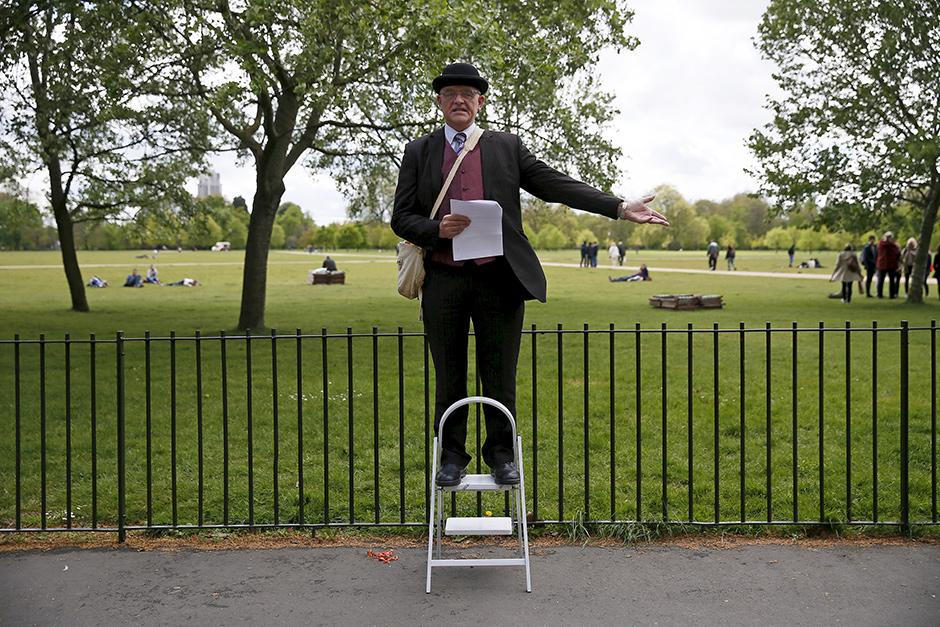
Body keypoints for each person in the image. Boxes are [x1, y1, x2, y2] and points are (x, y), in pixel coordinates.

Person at [390, 62, 668, 487]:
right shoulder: (419, 151)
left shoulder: (505, 147)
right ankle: (451, 456)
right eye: (450, 94)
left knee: (499, 374)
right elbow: (401, 217)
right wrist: (435, 230)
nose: (459, 100)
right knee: (449, 375)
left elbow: (555, 184)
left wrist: (617, 206)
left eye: (468, 94)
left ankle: (502, 455)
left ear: (480, 102)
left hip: (498, 280)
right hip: (443, 281)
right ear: (439, 102)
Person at [876, 231, 901, 298]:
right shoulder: (892, 246)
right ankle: (891, 294)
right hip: (890, 265)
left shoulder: (880, 244)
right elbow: (897, 253)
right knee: (891, 280)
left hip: (882, 264)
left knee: (881, 280)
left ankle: (879, 294)